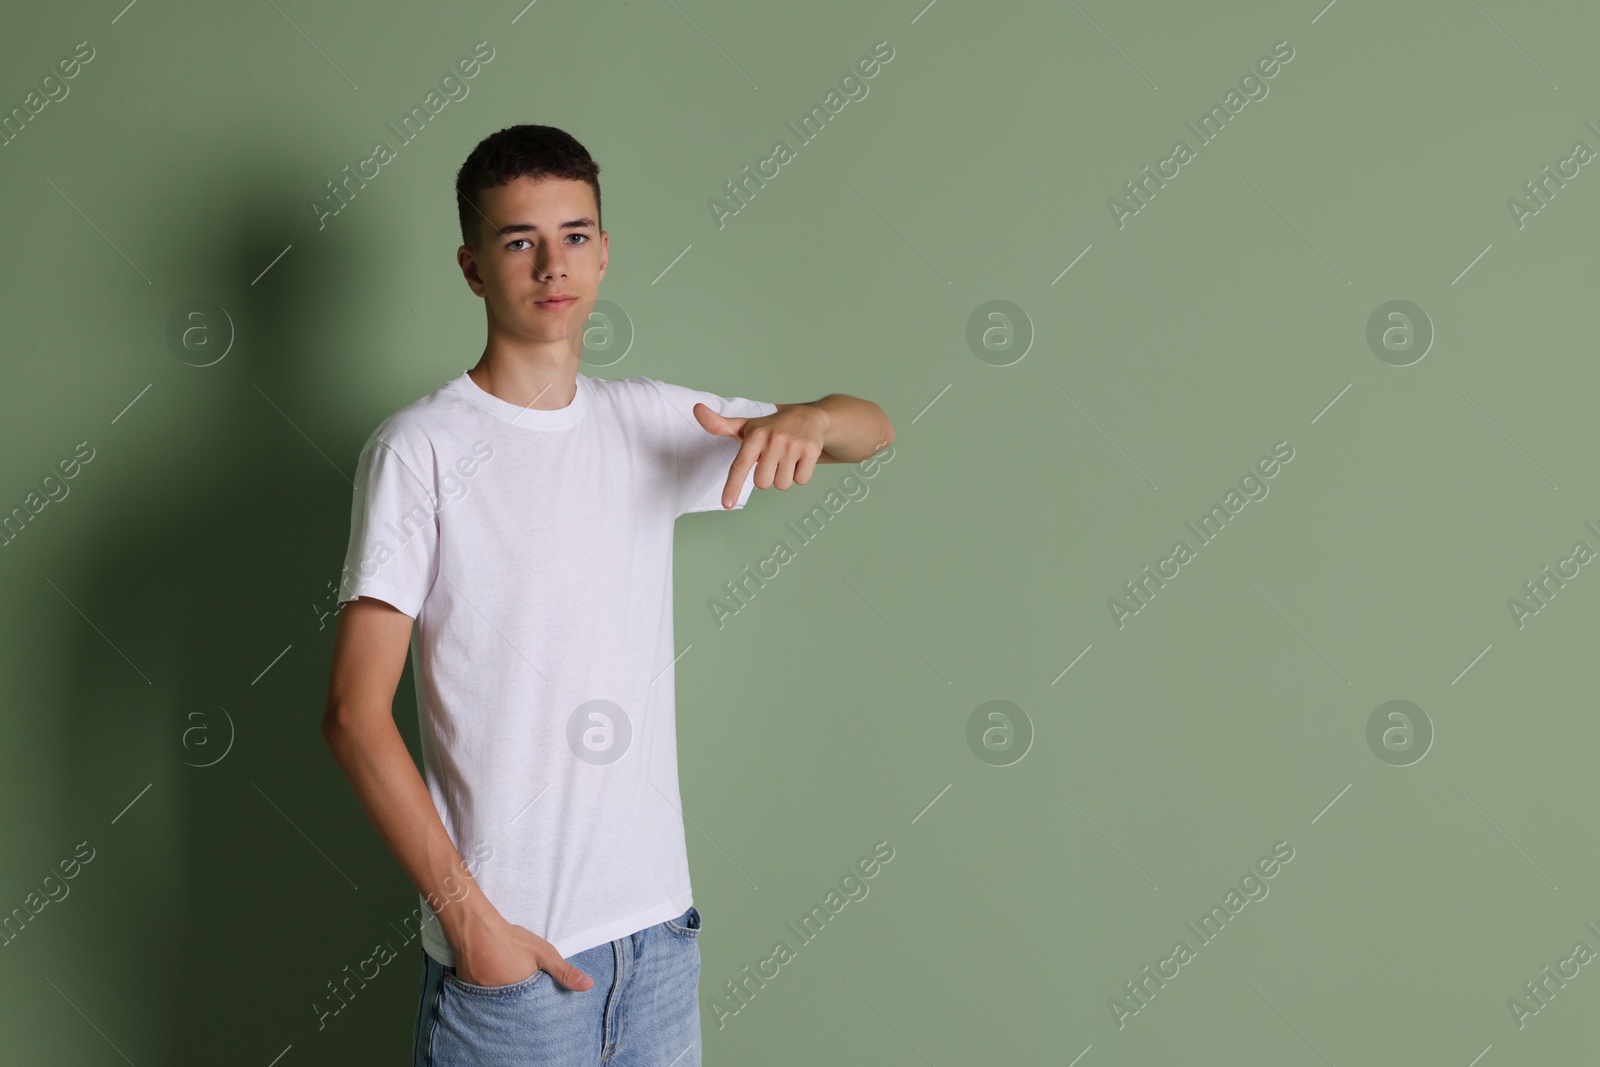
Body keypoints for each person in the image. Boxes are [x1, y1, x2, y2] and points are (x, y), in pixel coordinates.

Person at [321, 124, 894, 1066]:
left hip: (661, 945)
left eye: (576, 235)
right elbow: (352, 713)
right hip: (512, 969)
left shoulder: (649, 422)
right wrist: (476, 931)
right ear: (472, 266)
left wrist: (813, 419)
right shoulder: (417, 448)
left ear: (604, 249)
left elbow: (873, 432)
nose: (554, 264)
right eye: (520, 241)